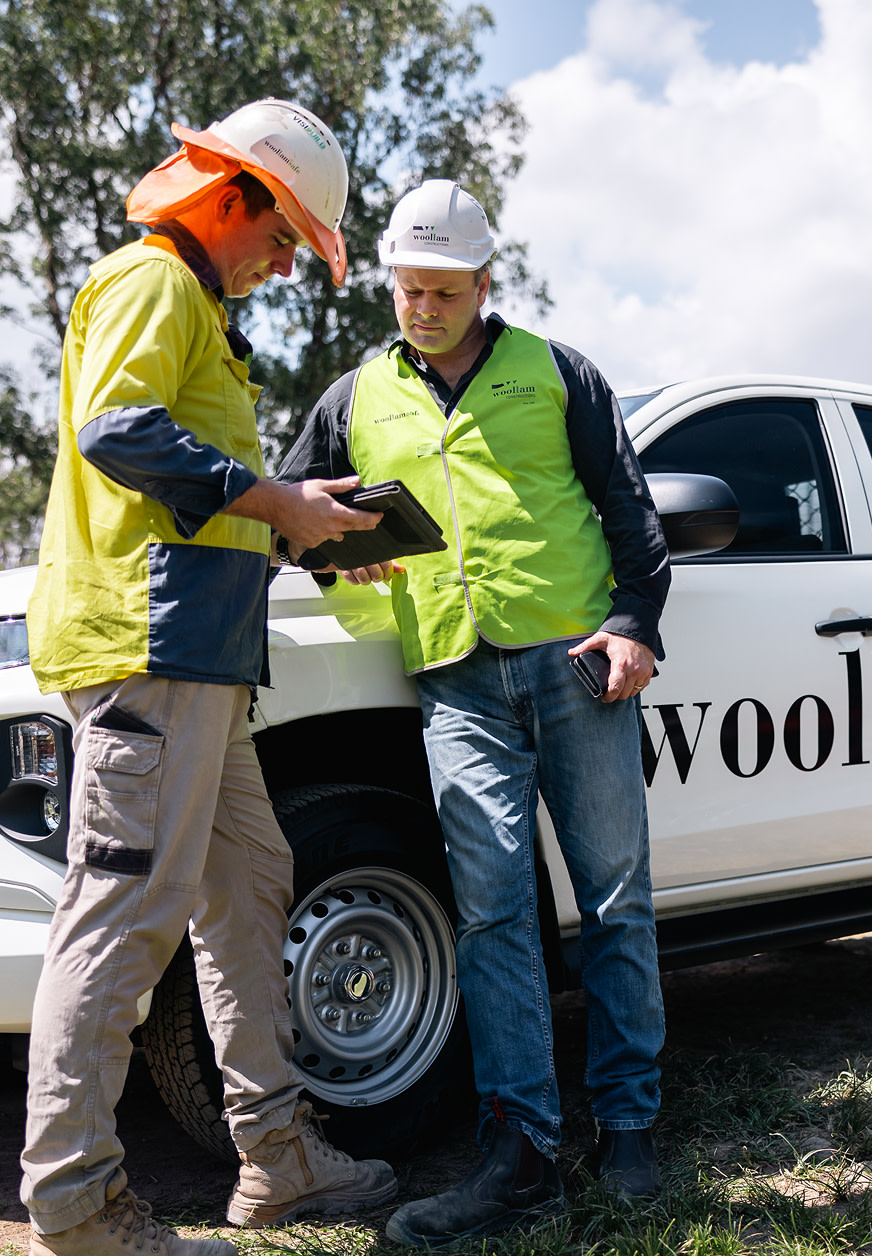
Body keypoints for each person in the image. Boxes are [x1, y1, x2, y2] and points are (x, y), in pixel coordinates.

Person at [20, 100, 398, 1256]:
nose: (286, 264)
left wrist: (304, 529)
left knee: (251, 886)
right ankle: (78, 1207)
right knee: (123, 911)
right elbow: (119, 433)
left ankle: (276, 1159)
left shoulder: (195, 307)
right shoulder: (151, 282)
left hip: (205, 661)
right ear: (231, 197)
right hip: (151, 649)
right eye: (284, 236)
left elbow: (200, 493)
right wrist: (276, 498)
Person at [276, 179, 670, 1246]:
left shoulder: (559, 372)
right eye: (408, 288)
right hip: (452, 677)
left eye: (444, 289)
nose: (424, 306)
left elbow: (632, 516)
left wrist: (634, 624)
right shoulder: (354, 395)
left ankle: (629, 1124)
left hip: (574, 662)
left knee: (616, 899)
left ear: (485, 283)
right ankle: (522, 1147)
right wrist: (328, 554)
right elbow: (285, 509)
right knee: (492, 912)